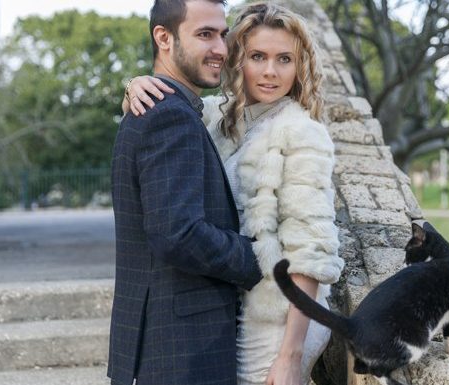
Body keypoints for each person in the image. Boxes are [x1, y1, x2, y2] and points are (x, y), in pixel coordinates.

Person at [122, 3, 344, 384]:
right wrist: (134, 85)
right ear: (238, 58)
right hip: (239, 306)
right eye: (258, 56)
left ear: (300, 66)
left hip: (280, 318)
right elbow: (174, 105)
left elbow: (311, 251)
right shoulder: (219, 117)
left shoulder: (302, 133)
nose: (271, 71)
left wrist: (290, 355)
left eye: (284, 59)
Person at [107, 1, 263, 384]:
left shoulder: (164, 107)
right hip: (181, 352)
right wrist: (255, 256)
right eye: (205, 34)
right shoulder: (170, 116)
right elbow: (177, 233)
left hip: (165, 349)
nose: (221, 49)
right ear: (164, 37)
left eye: (222, 35)